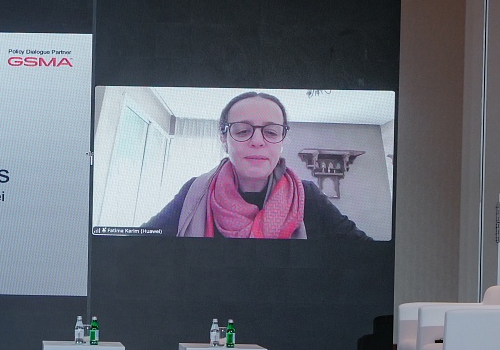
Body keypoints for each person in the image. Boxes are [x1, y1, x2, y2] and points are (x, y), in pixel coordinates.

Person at [143, 91, 370, 239]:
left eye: (271, 132)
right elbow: (140, 244)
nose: (258, 141)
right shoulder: (195, 192)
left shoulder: (307, 195)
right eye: (243, 131)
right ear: (224, 139)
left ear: (282, 141)